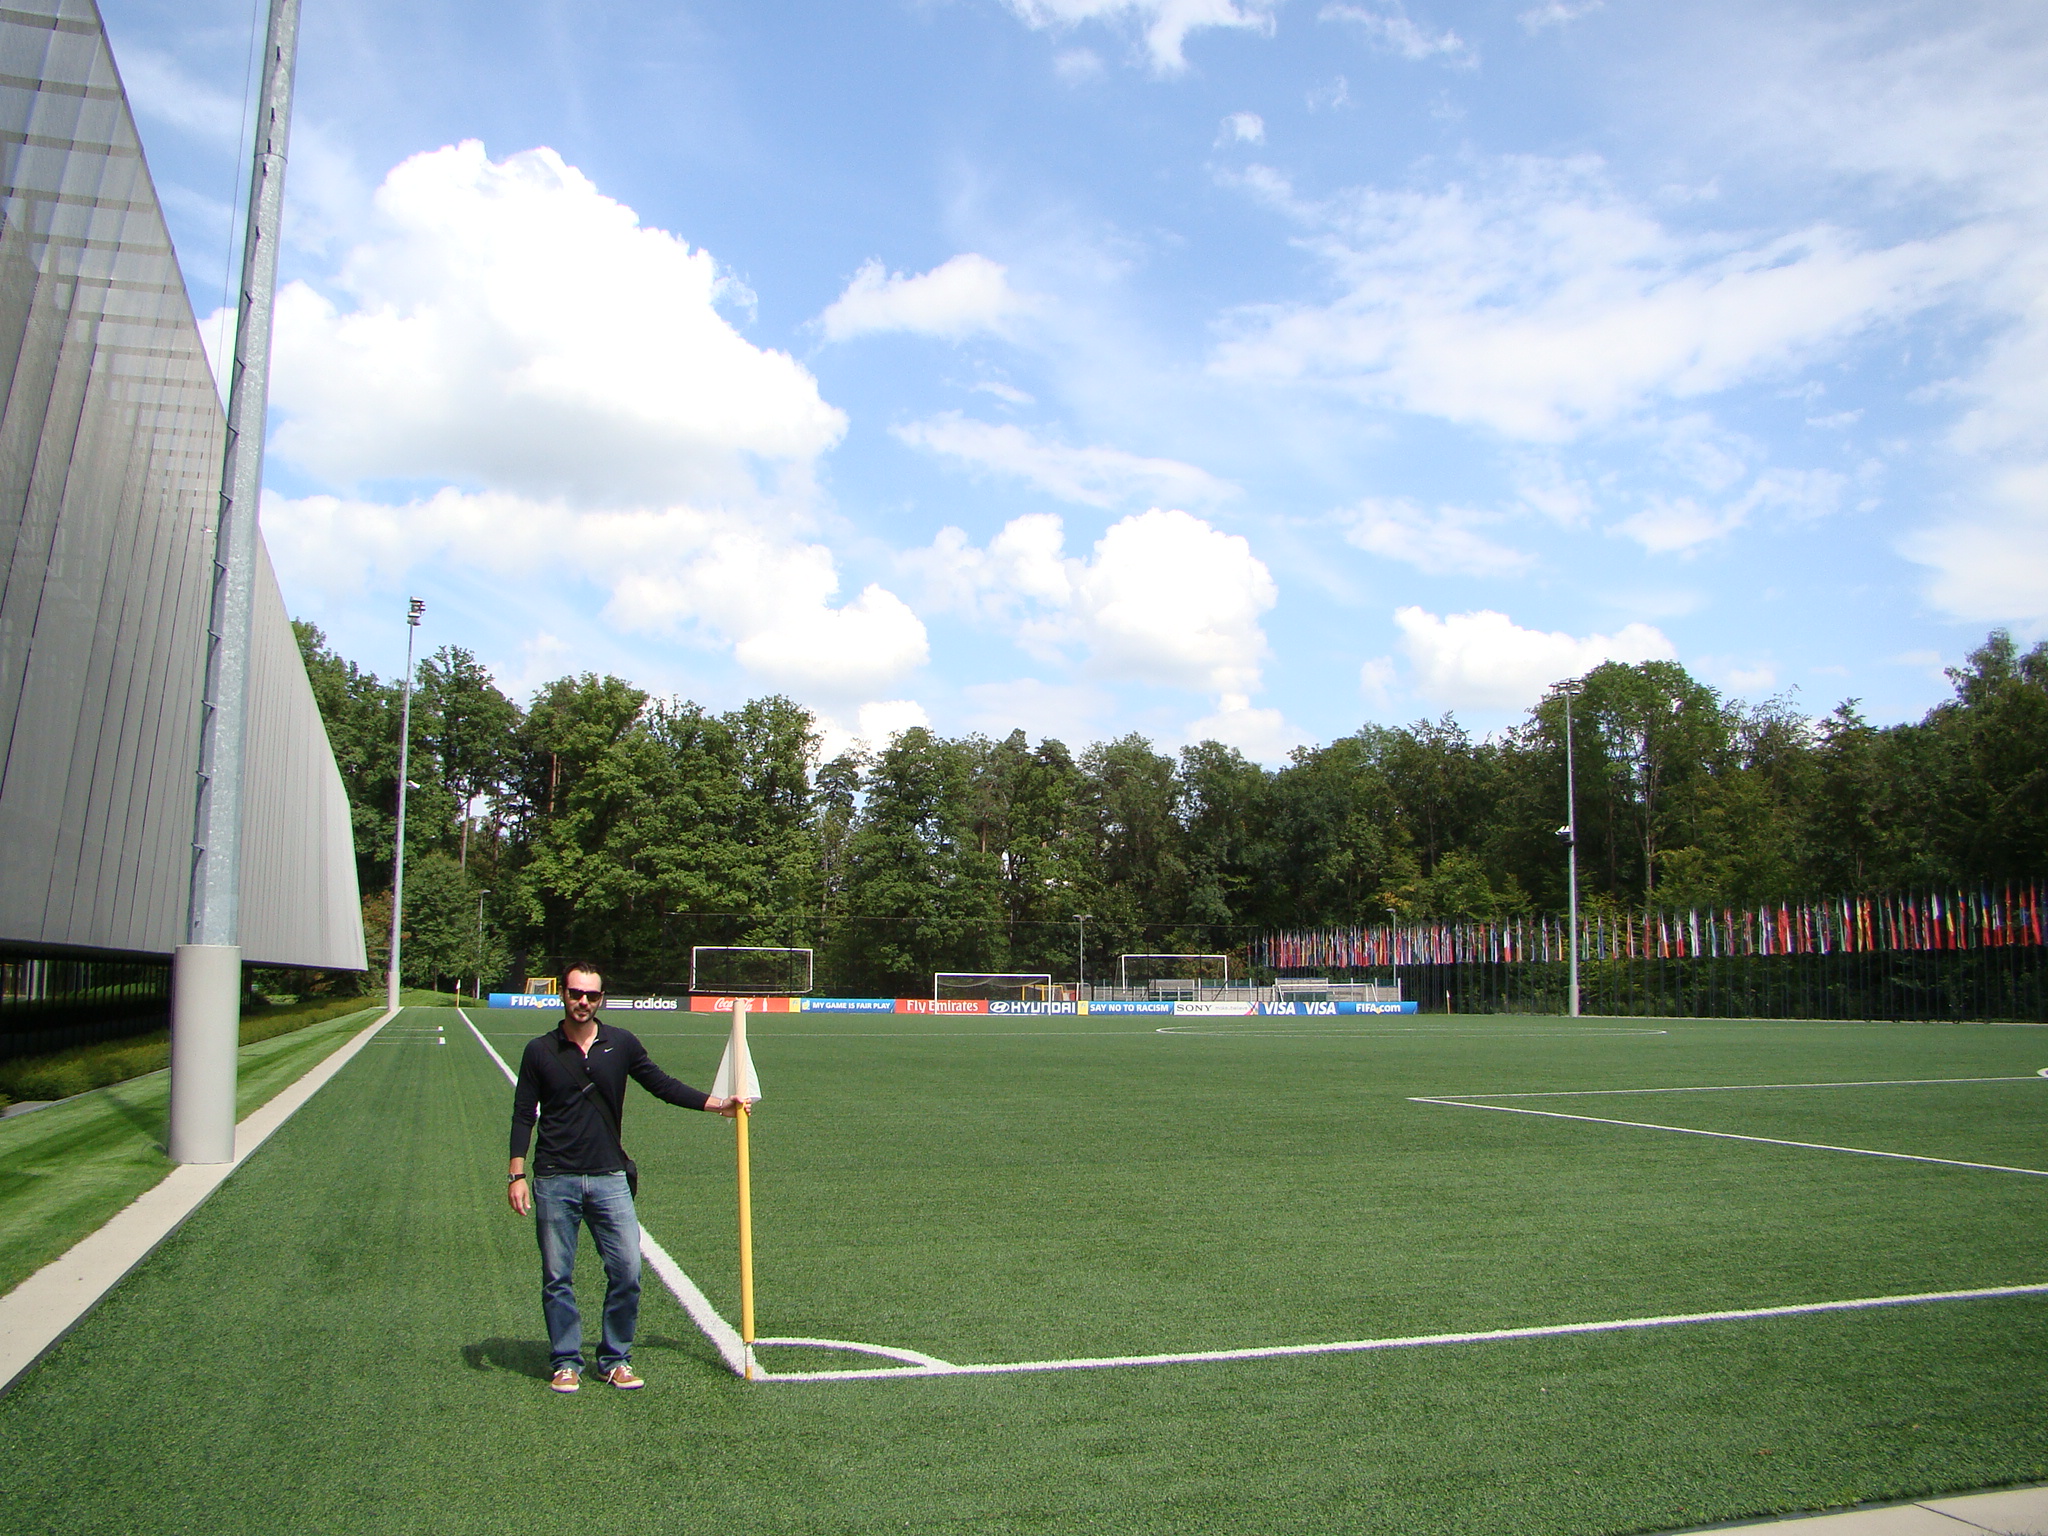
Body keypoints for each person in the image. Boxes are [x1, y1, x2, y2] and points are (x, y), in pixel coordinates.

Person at [508, 962, 738, 1393]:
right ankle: (566, 1361)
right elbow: (524, 1113)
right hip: (554, 1177)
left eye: (591, 995)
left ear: (602, 999)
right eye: (576, 993)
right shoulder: (540, 1050)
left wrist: (716, 1104)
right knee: (558, 1277)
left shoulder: (621, 1043)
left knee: (627, 1271)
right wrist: (516, 1173)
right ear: (563, 994)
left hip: (609, 1176)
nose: (583, 1002)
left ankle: (614, 1359)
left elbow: (661, 1084)